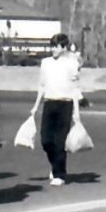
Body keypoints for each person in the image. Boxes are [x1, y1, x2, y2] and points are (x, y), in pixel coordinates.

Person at [30, 33, 82, 186]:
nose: (53, 49)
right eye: (51, 46)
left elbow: (75, 88)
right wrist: (35, 106)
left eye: (56, 46)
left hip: (65, 104)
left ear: (64, 47)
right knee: (46, 140)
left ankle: (60, 174)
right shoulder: (46, 63)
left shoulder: (71, 64)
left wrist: (76, 112)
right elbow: (42, 86)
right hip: (49, 103)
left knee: (60, 141)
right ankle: (55, 165)